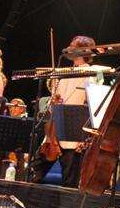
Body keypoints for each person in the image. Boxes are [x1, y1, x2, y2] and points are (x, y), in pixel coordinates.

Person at [40, 35, 107, 186]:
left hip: (75, 135)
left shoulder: (94, 73)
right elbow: (55, 102)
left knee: (69, 181)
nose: (68, 48)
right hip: (55, 132)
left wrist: (85, 136)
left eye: (72, 46)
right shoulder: (63, 73)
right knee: (35, 172)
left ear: (83, 51)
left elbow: (94, 105)